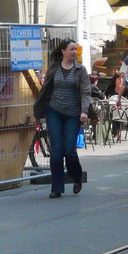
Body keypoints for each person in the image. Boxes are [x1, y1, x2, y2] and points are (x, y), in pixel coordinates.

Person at [32, 39, 91, 198]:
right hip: (54, 112)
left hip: (73, 114)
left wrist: (84, 111)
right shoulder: (54, 67)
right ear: (63, 51)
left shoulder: (80, 70)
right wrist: (38, 113)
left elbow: (86, 92)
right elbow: (45, 90)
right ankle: (56, 188)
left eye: (75, 49)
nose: (74, 52)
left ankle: (76, 177)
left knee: (69, 151)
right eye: (71, 49)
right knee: (56, 151)